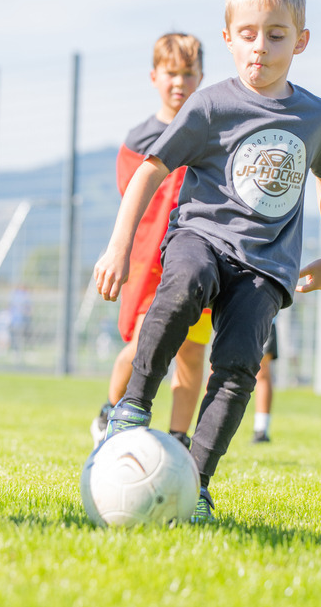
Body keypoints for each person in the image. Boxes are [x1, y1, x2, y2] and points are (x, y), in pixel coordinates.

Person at [94, 0, 321, 522]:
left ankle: (196, 483)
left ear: (301, 41)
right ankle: (131, 408)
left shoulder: (317, 116)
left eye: (276, 35)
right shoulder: (210, 106)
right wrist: (118, 246)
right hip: (201, 238)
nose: (261, 47)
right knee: (183, 286)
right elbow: (149, 170)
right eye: (248, 34)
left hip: (267, 267)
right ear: (229, 38)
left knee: (238, 367)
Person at [89, 32, 210, 451]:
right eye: (171, 72)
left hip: (198, 263)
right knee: (144, 343)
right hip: (149, 268)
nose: (180, 82)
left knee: (192, 352)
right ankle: (110, 413)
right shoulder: (139, 140)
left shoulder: (210, 130)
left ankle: (178, 440)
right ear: (154, 76)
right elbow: (133, 200)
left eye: (188, 73)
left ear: (201, 76)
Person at [252, 320, 278, 443]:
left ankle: (261, 429)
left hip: (264, 318)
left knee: (262, 370)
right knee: (217, 368)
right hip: (229, 317)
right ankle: (209, 424)